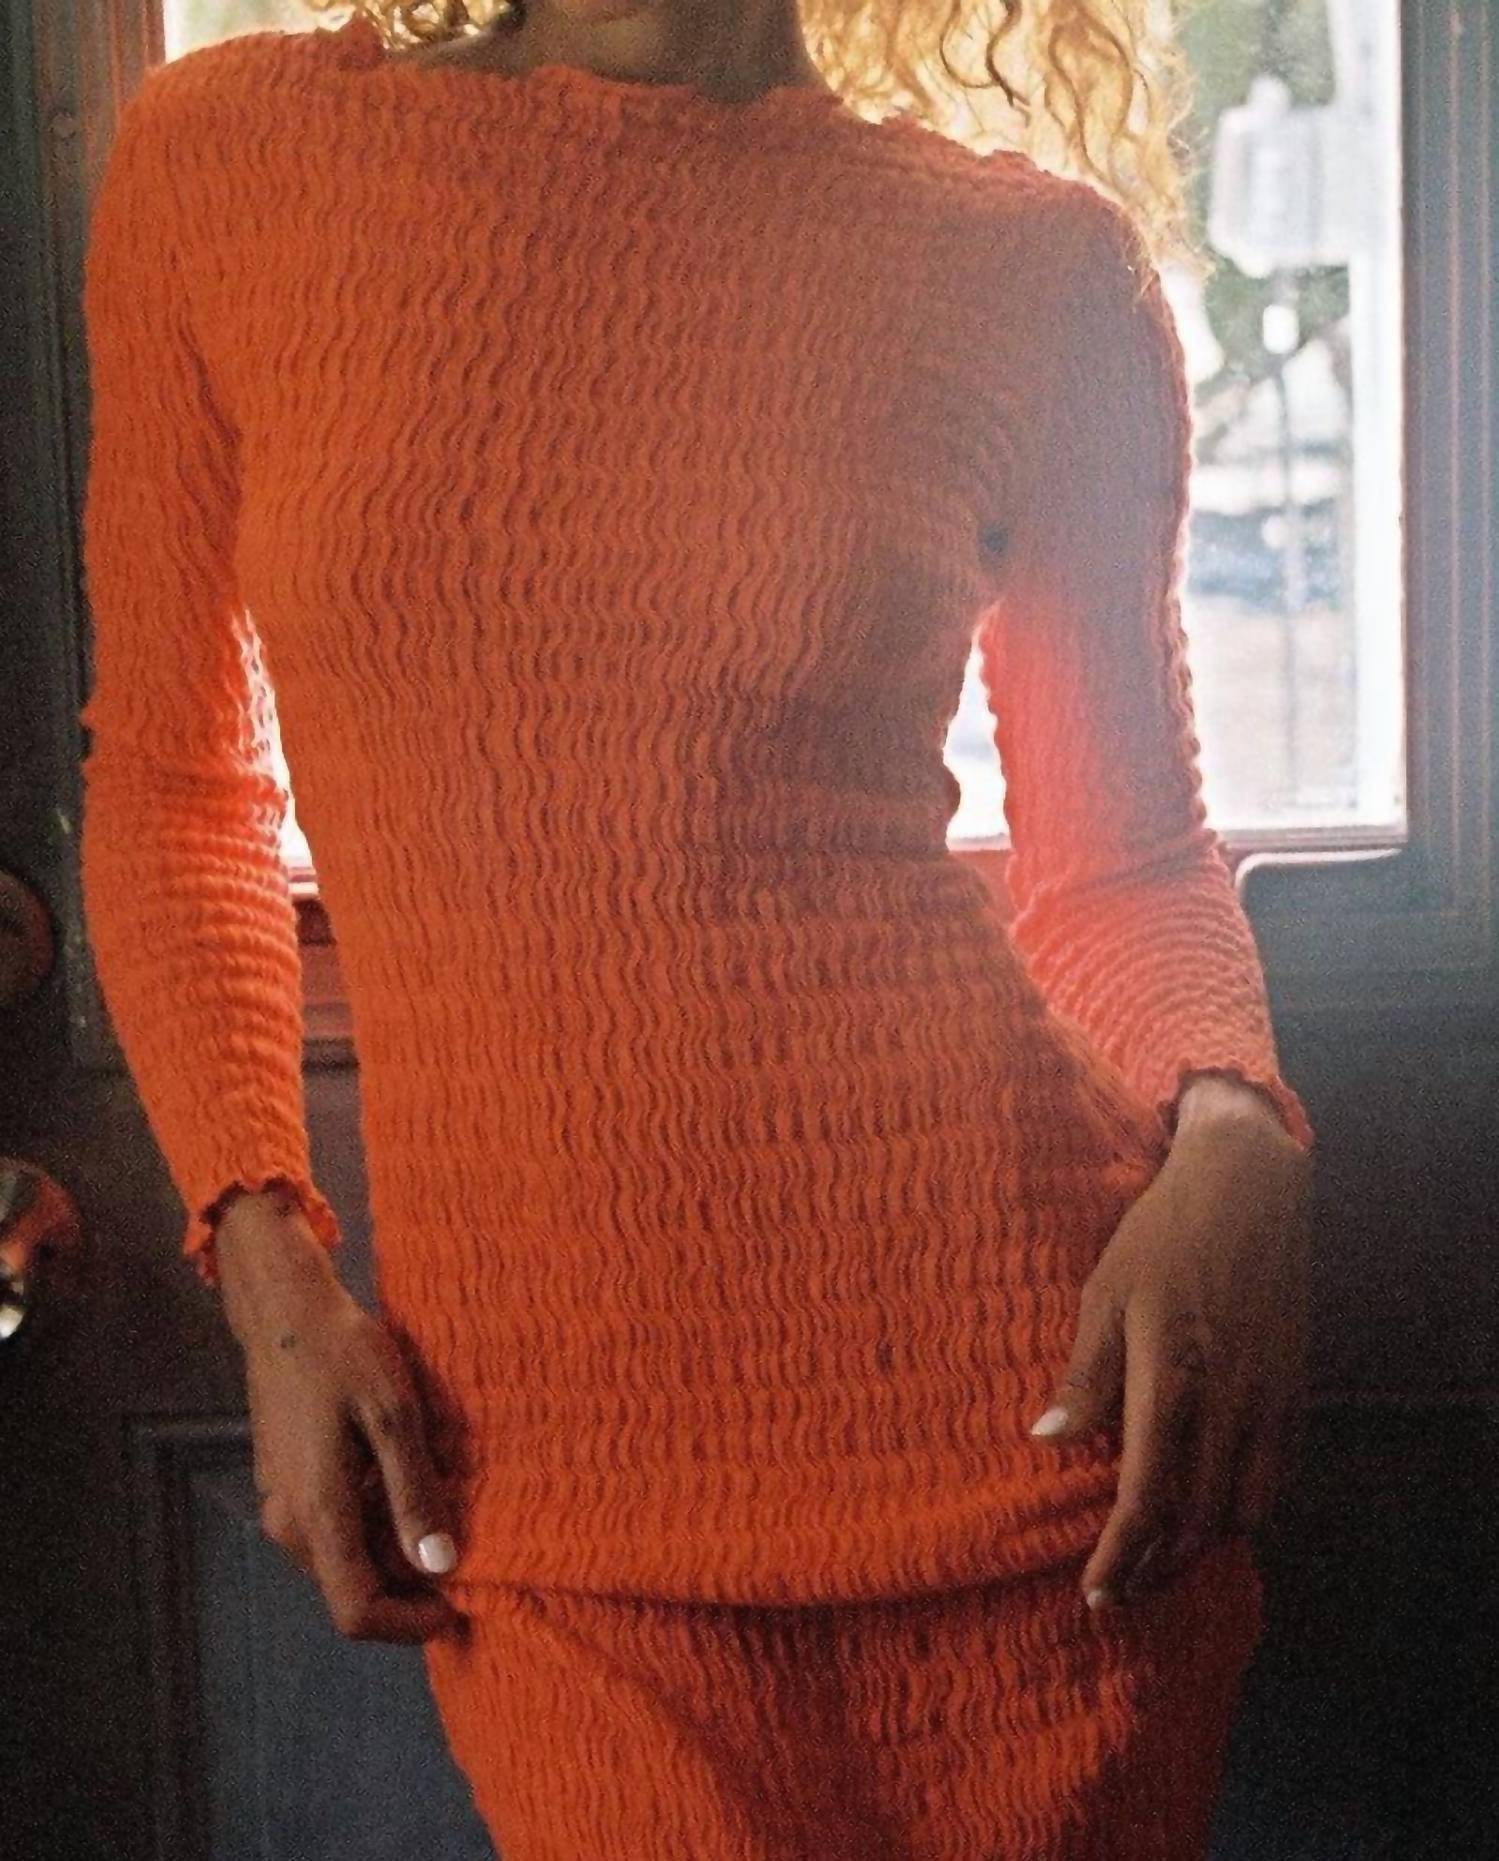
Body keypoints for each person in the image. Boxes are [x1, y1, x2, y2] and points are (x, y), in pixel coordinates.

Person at [76, 0, 1314, 1852]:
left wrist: (1234, 1136)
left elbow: (1124, 864)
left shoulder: (1040, 273)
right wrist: (272, 1284)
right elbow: (179, 792)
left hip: (1043, 1464)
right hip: (544, 1486)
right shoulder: (227, 164)